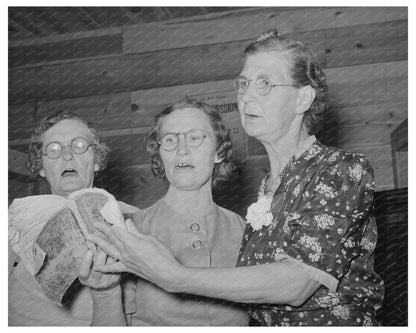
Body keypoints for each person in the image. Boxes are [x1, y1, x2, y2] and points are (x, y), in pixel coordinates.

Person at [92, 29, 385, 326]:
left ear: (303, 99)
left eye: (265, 84)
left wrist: (173, 275)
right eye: (243, 84)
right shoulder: (269, 189)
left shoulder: (341, 169)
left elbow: (296, 284)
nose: (246, 96)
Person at [91, 99, 249, 325]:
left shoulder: (243, 230)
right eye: (170, 139)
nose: (181, 150)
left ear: (218, 152)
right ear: (160, 154)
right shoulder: (129, 231)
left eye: (195, 138)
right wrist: (104, 294)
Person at [8, 111, 133, 326]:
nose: (67, 156)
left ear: (96, 161)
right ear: (41, 168)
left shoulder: (132, 221)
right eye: (54, 149)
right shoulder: (14, 220)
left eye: (79, 146)